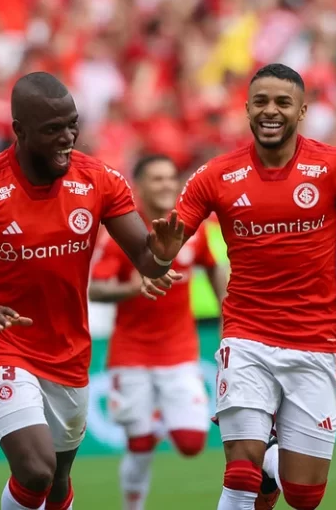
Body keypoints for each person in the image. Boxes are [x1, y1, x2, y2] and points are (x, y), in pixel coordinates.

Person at [0, 72, 185, 510]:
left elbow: (147, 260)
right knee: (35, 470)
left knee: (58, 483)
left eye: (72, 125)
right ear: (19, 132)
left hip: (68, 350)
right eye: (52, 130)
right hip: (0, 343)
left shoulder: (99, 180)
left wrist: (163, 254)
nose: (67, 138)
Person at [142, 63, 336, 510]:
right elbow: (163, 250)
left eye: (283, 102)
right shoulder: (216, 175)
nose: (271, 111)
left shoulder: (333, 165)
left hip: (314, 341)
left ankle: (271, 466)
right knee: (239, 469)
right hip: (246, 336)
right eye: (261, 102)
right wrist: (162, 255)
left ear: (302, 110)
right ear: (246, 109)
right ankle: (256, 465)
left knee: (304, 496)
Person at [89, 154, 228, 510]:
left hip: (179, 352)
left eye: (170, 178)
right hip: (131, 353)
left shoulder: (190, 229)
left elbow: (213, 269)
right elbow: (96, 290)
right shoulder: (124, 233)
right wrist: (134, 287)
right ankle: (132, 506)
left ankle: (157, 413)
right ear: (138, 186)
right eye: (156, 178)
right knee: (140, 445)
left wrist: (230, 314)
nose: (167, 185)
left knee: (192, 442)